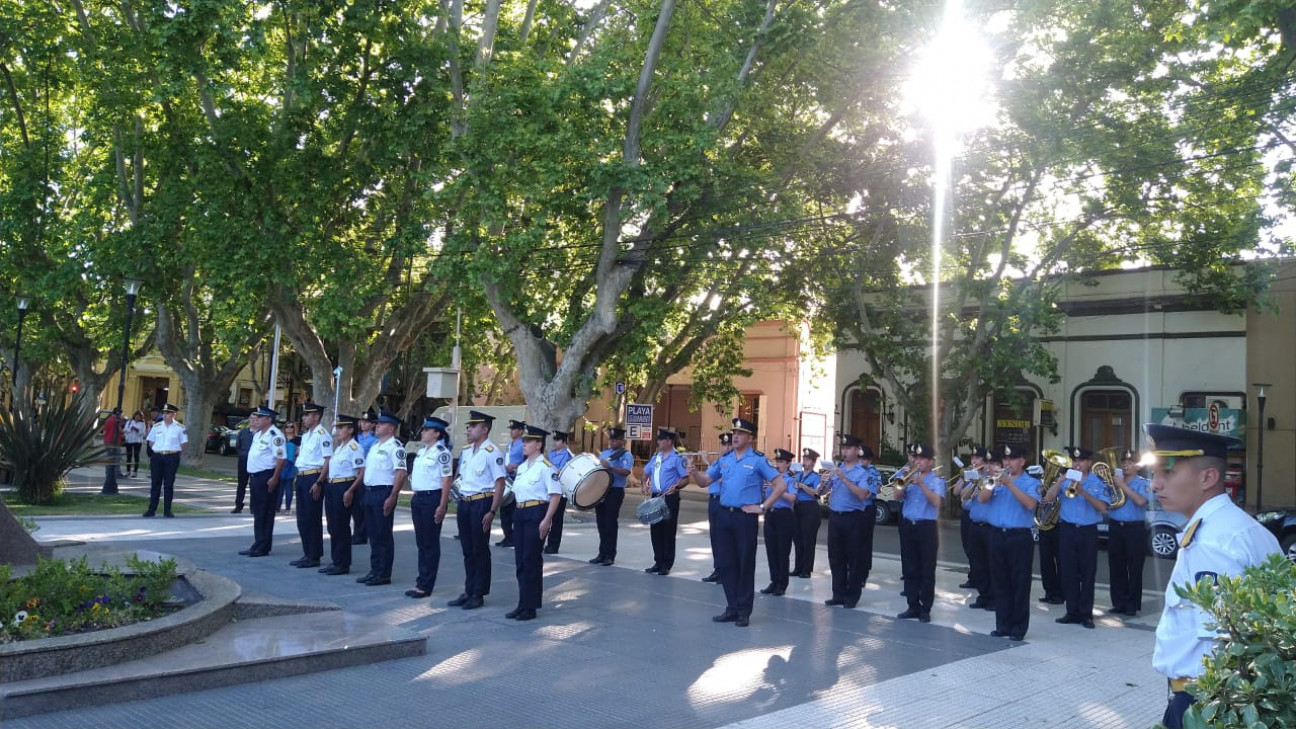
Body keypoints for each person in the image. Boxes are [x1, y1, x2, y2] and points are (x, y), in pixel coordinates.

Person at [1148, 424, 1280, 729]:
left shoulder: (1211, 542)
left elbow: (1220, 639)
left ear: (1208, 478)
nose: (1155, 484)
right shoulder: (1241, 528)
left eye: (1168, 472)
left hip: (1206, 701)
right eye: (1154, 474)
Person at [686, 417, 786, 628]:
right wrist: (695, 473)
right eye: (734, 433)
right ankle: (731, 607)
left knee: (744, 563)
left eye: (740, 433)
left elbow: (780, 486)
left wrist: (762, 507)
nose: (736, 436)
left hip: (744, 517)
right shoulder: (725, 460)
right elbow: (705, 482)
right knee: (726, 563)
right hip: (723, 516)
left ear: (750, 438)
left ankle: (743, 611)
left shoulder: (758, 460)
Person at [979, 444, 1040, 641]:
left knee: (1019, 583)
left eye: (1012, 459)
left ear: (1022, 462)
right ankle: (1002, 625)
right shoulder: (996, 481)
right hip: (997, 535)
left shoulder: (1030, 482)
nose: (1007, 463)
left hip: (1019, 537)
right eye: (1005, 459)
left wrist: (1010, 484)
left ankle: (1018, 628)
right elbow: (981, 499)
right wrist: (992, 483)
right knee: (1000, 582)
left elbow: (1031, 504)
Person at [449, 410, 508, 609]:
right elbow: (460, 476)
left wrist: (492, 511)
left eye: (473, 426)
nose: (468, 429)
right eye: (468, 426)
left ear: (485, 429)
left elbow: (500, 483)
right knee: (467, 550)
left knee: (479, 549)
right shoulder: (466, 451)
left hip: (482, 503)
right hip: (465, 502)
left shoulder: (493, 453)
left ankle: (478, 593)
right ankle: (468, 589)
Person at [1044, 446, 1107, 629]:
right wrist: (1062, 479)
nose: (1077, 464)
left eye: (1081, 461)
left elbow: (1103, 508)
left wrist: (1083, 492)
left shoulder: (1097, 482)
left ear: (1089, 463)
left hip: (1088, 531)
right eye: (1075, 461)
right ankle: (1071, 611)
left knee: (1087, 574)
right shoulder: (1065, 480)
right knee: (1068, 572)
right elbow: (1048, 498)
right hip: (1067, 530)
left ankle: (1086, 614)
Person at [507, 425, 564, 621]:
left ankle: (530, 607)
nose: (524, 444)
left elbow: (555, 495)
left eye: (528, 441)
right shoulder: (522, 467)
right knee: (520, 561)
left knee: (531, 560)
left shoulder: (546, 467)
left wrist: (547, 520)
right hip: (521, 512)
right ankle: (522, 603)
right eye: (523, 441)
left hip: (536, 512)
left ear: (538, 444)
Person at [823, 434, 880, 609]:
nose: (845, 451)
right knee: (835, 556)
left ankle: (852, 595)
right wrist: (823, 483)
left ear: (857, 451)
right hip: (835, 516)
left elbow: (863, 494)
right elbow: (825, 491)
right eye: (843, 448)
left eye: (848, 448)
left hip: (853, 517)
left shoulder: (863, 473)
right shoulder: (838, 468)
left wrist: (844, 479)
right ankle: (838, 593)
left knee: (854, 558)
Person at [355, 411, 407, 587]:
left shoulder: (395, 447)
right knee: (373, 534)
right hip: (369, 492)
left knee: (382, 534)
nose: (376, 426)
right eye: (376, 423)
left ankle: (383, 573)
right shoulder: (376, 446)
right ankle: (375, 569)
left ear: (390, 428)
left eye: (381, 424)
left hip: (383, 492)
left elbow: (401, 473)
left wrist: (393, 496)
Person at [406, 416, 453, 599]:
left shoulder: (442, 452)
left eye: (427, 430)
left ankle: (426, 585)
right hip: (419, 498)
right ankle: (421, 581)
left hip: (431, 498)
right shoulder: (423, 451)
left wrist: (442, 505)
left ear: (436, 433)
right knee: (421, 543)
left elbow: (446, 479)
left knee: (430, 543)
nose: (423, 432)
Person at [896, 442, 943, 622]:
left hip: (927, 528)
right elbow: (896, 496)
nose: (919, 462)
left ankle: (925, 609)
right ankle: (912, 605)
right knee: (910, 568)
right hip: (909, 525)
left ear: (931, 462)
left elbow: (936, 502)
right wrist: (903, 484)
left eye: (923, 459)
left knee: (927, 569)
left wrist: (922, 484)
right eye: (917, 458)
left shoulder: (937, 481)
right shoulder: (907, 476)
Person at [238, 406, 286, 556]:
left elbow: (281, 458)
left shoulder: (275, 435)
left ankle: (263, 546)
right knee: (258, 511)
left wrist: (275, 478)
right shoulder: (258, 434)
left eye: (260, 417)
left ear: (268, 419)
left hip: (267, 476)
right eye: (256, 417)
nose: (256, 420)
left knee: (265, 512)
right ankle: (258, 542)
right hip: (255, 476)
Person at [1107, 448, 1150, 617]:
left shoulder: (1143, 483)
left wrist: (1123, 485)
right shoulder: (1114, 482)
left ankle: (1132, 604)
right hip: (1116, 526)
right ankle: (1118, 603)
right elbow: (1108, 501)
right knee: (1116, 566)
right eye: (1124, 462)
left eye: (1130, 462)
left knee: (1134, 567)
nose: (1126, 465)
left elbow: (1141, 501)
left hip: (1135, 528)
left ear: (1138, 467)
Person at [289, 404, 332, 569]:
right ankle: (307, 553)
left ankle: (314, 555)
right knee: (302, 518)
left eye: (307, 415)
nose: (303, 418)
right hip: (302, 476)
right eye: (303, 415)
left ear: (316, 416)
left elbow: (327, 460)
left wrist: (319, 482)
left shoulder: (323, 435)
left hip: (314, 477)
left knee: (312, 518)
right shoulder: (306, 436)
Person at [322, 414, 365, 575]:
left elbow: (361, 472)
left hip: (345, 485)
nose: (337, 431)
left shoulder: (355, 448)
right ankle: (336, 560)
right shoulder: (340, 447)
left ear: (351, 430)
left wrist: (350, 490)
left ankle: (343, 563)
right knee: (332, 525)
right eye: (337, 427)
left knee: (341, 525)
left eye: (341, 428)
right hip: (333, 486)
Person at [642, 427, 688, 575]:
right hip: (656, 496)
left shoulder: (677, 458)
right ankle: (658, 561)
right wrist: (644, 483)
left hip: (669, 496)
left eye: (661, 439)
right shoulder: (656, 457)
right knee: (655, 529)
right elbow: (645, 472)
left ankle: (666, 564)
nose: (658, 442)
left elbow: (685, 478)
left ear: (669, 441)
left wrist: (677, 486)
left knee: (668, 530)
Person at [590, 427, 634, 566]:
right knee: (601, 522)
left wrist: (611, 467)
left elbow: (626, 472)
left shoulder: (625, 455)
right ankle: (601, 553)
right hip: (601, 490)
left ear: (622, 440)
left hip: (615, 490)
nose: (612, 442)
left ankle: (610, 555)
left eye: (615, 440)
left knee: (610, 523)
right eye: (611, 439)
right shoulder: (605, 453)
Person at [959, 447, 995, 610]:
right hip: (975, 524)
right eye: (985, 462)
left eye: (989, 463)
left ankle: (993, 597)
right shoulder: (976, 478)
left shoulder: (996, 480)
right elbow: (962, 495)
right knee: (978, 563)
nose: (986, 466)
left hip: (990, 526)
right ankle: (983, 595)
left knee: (991, 564)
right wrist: (973, 483)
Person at [760, 449, 798, 596]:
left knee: (783, 551)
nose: (778, 464)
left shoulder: (790, 479)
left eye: (781, 462)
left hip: (784, 515)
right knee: (771, 550)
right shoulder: (772, 478)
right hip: (771, 515)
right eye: (777, 461)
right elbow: (765, 497)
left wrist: (776, 488)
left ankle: (782, 583)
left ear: (788, 464)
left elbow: (792, 498)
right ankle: (774, 581)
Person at [142, 403, 188, 518]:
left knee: (168, 484)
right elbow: (151, 442)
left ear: (173, 414)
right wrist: (158, 450)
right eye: (164, 413)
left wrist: (173, 451)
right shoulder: (157, 426)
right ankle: (151, 509)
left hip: (171, 457)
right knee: (155, 484)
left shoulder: (180, 428)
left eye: (167, 413)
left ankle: (167, 510)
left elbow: (184, 444)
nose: (164, 415)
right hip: (157, 456)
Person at [700, 432, 735, 583]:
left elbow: (722, 479)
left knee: (725, 538)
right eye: (723, 444)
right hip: (713, 501)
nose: (725, 447)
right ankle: (718, 569)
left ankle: (727, 571)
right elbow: (706, 478)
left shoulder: (734, 462)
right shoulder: (718, 462)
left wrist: (707, 461)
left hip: (724, 501)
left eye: (728, 444)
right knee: (714, 536)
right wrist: (705, 461)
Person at [789, 447, 822, 579]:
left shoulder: (816, 477)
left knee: (808, 539)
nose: (805, 461)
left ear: (813, 462)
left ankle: (806, 569)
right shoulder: (797, 475)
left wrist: (802, 486)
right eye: (804, 458)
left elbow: (816, 493)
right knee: (797, 539)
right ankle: (798, 567)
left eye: (808, 459)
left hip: (810, 508)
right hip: (798, 507)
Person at [543, 430, 574, 554]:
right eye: (554, 440)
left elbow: (561, 471)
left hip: (560, 490)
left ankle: (553, 545)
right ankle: (544, 542)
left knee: (556, 519)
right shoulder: (551, 454)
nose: (555, 443)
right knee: (546, 516)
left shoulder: (568, 456)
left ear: (564, 442)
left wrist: (550, 467)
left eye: (558, 440)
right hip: (549, 489)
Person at [351, 411, 379, 544]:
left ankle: (361, 534)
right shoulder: (356, 437)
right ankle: (357, 531)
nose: (363, 424)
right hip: (353, 473)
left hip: (365, 473)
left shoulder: (375, 440)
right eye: (362, 421)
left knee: (362, 505)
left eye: (367, 422)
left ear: (373, 424)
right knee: (355, 506)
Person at [497, 419, 526, 548]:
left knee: (513, 510)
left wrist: (515, 466)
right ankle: (507, 536)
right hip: (507, 478)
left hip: (515, 479)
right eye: (510, 429)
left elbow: (525, 462)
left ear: (520, 431)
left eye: (514, 429)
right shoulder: (509, 445)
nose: (511, 431)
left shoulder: (523, 444)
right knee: (504, 510)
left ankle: (514, 537)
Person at [231, 423, 255, 514]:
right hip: (243, 460)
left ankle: (253, 506)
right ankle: (238, 505)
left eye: (256, 419)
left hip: (255, 462)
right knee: (241, 484)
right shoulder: (243, 432)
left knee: (254, 485)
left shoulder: (260, 433)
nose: (254, 421)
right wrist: (242, 454)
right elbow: (238, 445)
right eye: (252, 419)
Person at [278, 422, 300, 513]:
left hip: (291, 464)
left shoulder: (298, 439)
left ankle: (288, 508)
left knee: (289, 487)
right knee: (279, 488)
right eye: (287, 426)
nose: (289, 428)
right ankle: (277, 507)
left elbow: (300, 451)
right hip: (281, 463)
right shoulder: (281, 438)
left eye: (291, 427)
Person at [102, 408, 124, 490]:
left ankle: (108, 472)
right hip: (115, 441)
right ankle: (116, 473)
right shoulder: (117, 421)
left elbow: (104, 430)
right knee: (116, 457)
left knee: (109, 457)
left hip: (107, 440)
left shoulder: (108, 420)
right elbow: (120, 430)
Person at [123, 411, 146, 478]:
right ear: (134, 416)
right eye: (136, 416)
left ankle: (135, 472)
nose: (137, 418)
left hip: (137, 441)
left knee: (136, 456)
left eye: (139, 417)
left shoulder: (142, 424)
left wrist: (137, 430)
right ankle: (128, 471)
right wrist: (129, 431)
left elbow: (143, 433)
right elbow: (125, 430)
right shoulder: (129, 422)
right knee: (129, 456)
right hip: (129, 440)